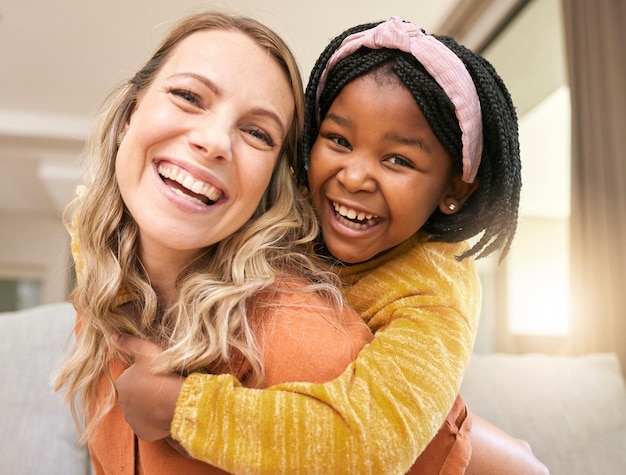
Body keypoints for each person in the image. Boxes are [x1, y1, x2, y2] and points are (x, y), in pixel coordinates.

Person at [110, 16, 548, 475]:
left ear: (453, 191)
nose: (354, 176)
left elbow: (370, 443)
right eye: (338, 140)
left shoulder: (435, 291)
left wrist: (183, 408)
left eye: (398, 159)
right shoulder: (294, 193)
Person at [51, 11, 375, 475]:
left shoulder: (302, 336)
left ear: (270, 184)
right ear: (129, 115)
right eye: (188, 96)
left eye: (258, 133)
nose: (214, 141)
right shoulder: (99, 304)